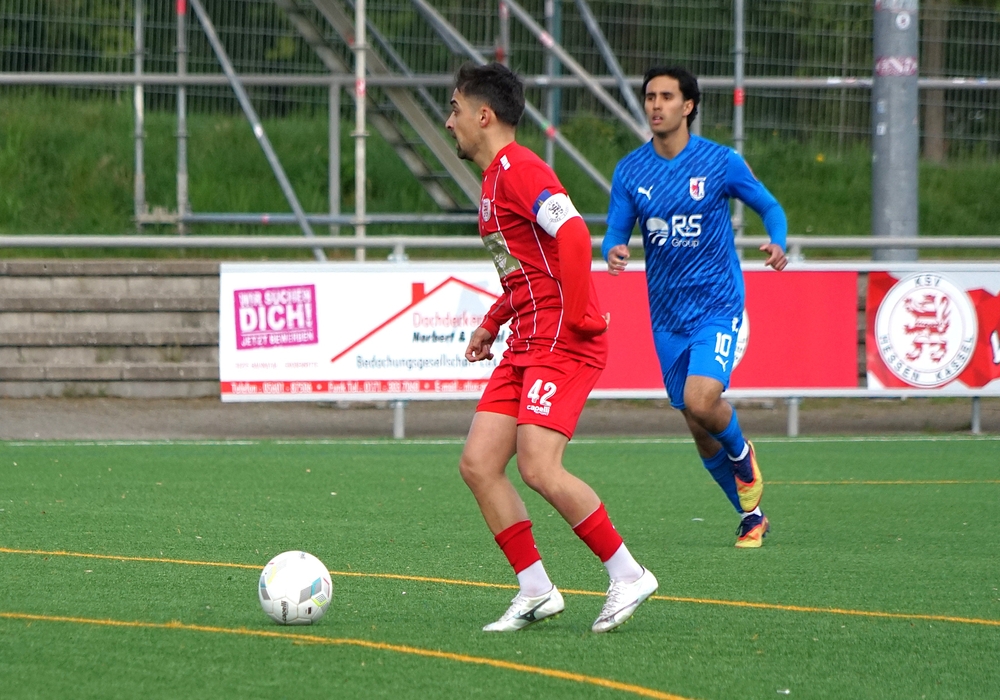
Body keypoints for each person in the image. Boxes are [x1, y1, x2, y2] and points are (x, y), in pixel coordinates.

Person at [445, 62, 657, 633]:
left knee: (539, 466)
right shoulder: (493, 181)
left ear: (483, 116)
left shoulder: (521, 169)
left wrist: (582, 313)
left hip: (561, 341)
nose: (449, 122)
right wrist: (493, 321)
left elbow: (572, 231)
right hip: (525, 340)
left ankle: (628, 574)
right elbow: (526, 272)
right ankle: (535, 589)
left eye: (455, 109)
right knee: (479, 464)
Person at [602, 65, 788, 548]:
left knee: (703, 399)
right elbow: (615, 231)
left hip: (718, 306)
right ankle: (753, 516)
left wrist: (778, 240)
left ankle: (744, 457)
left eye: (666, 96)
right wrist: (614, 250)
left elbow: (770, 205)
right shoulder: (631, 170)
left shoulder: (719, 162)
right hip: (666, 318)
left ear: (688, 106)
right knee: (695, 423)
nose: (655, 105)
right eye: (649, 97)